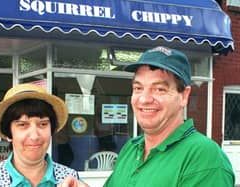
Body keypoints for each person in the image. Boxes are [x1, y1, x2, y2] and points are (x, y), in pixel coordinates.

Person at [60, 46, 235, 187]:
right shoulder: (132, 148)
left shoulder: (205, 159)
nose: (144, 99)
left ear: (184, 96)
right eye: (138, 88)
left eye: (159, 89)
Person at [0, 83, 79, 186]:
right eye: (23, 125)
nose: (34, 136)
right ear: (8, 134)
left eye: (43, 124)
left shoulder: (70, 180)